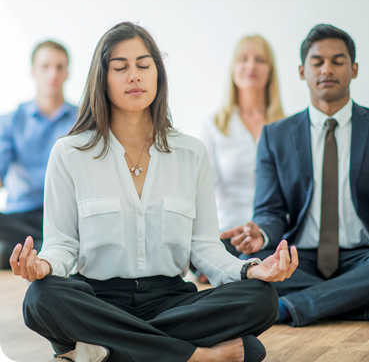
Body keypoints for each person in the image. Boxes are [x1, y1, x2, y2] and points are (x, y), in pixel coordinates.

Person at [10, 22, 298, 362]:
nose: (134, 76)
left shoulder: (190, 152)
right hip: (97, 299)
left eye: (144, 66)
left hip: (170, 300)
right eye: (121, 68)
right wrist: (43, 265)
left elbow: (204, 246)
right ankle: (199, 357)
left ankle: (96, 350)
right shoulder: (69, 153)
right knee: (41, 298)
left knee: (262, 299)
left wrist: (250, 270)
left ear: (158, 76)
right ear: (101, 79)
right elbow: (62, 245)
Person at [221, 24, 369, 327]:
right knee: (237, 256)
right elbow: (270, 211)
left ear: (354, 69)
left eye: (338, 61)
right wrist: (260, 234)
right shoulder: (275, 136)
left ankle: (288, 308)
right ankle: (365, 304)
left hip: (365, 256)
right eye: (317, 62)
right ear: (303, 71)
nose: (327, 69)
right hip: (297, 258)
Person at [200, 35, 284, 258]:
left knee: (261, 265)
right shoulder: (214, 126)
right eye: (243, 59)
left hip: (274, 235)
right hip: (227, 233)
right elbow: (203, 192)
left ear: (270, 70)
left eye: (260, 59)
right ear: (232, 68)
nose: (251, 66)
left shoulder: (287, 127)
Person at [0, 40, 76, 268]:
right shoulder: (10, 122)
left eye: (59, 66)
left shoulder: (84, 120)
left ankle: (32, 250)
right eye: (45, 66)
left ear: (67, 73)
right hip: (21, 216)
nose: (53, 73)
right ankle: (48, 249)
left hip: (66, 216)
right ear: (33, 71)